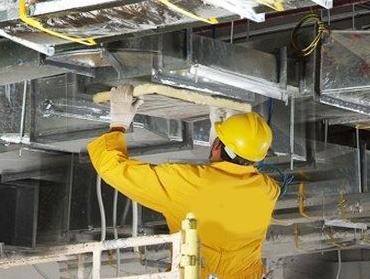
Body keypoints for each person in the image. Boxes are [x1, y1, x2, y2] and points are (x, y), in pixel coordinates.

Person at [87, 85, 280, 279]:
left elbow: (112, 167)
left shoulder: (187, 182)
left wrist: (119, 123)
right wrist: (221, 142)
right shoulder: (267, 191)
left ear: (217, 145)